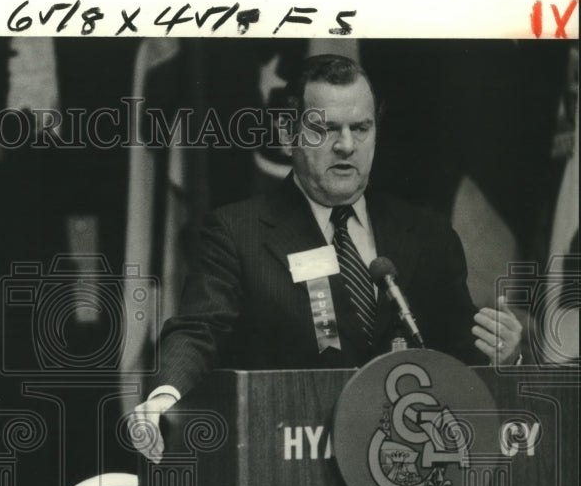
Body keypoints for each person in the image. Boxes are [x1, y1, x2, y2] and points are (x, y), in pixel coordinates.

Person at [130, 54, 522, 463]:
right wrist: (164, 394)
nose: (346, 145)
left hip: (404, 475)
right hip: (287, 475)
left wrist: (504, 355)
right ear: (288, 134)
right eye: (327, 129)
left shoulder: (428, 235)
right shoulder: (236, 234)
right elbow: (198, 331)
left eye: (361, 128)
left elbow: (457, 354)